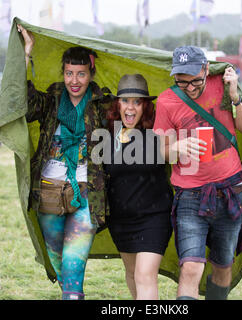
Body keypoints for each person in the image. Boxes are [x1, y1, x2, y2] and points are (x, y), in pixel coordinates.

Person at [153, 46, 242, 300]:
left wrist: (235, 96)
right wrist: (175, 147)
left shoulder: (222, 84)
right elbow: (158, 152)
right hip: (190, 194)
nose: (189, 87)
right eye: (181, 81)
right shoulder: (167, 100)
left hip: (231, 188)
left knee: (223, 265)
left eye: (196, 80)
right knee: (191, 267)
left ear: (206, 69)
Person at [17, 24, 111, 300]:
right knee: (60, 265)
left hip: (85, 192)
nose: (74, 80)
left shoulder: (102, 104)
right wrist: (26, 55)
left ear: (91, 74)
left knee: (73, 264)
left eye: (81, 74)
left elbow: (135, 117)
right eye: (69, 73)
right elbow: (21, 102)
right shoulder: (51, 101)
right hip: (47, 191)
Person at [104, 74, 173, 300]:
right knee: (133, 273)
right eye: (125, 101)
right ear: (117, 104)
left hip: (154, 217)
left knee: (144, 275)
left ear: (145, 106)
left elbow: (172, 151)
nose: (130, 107)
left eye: (137, 102)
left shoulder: (157, 133)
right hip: (121, 220)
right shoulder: (108, 136)